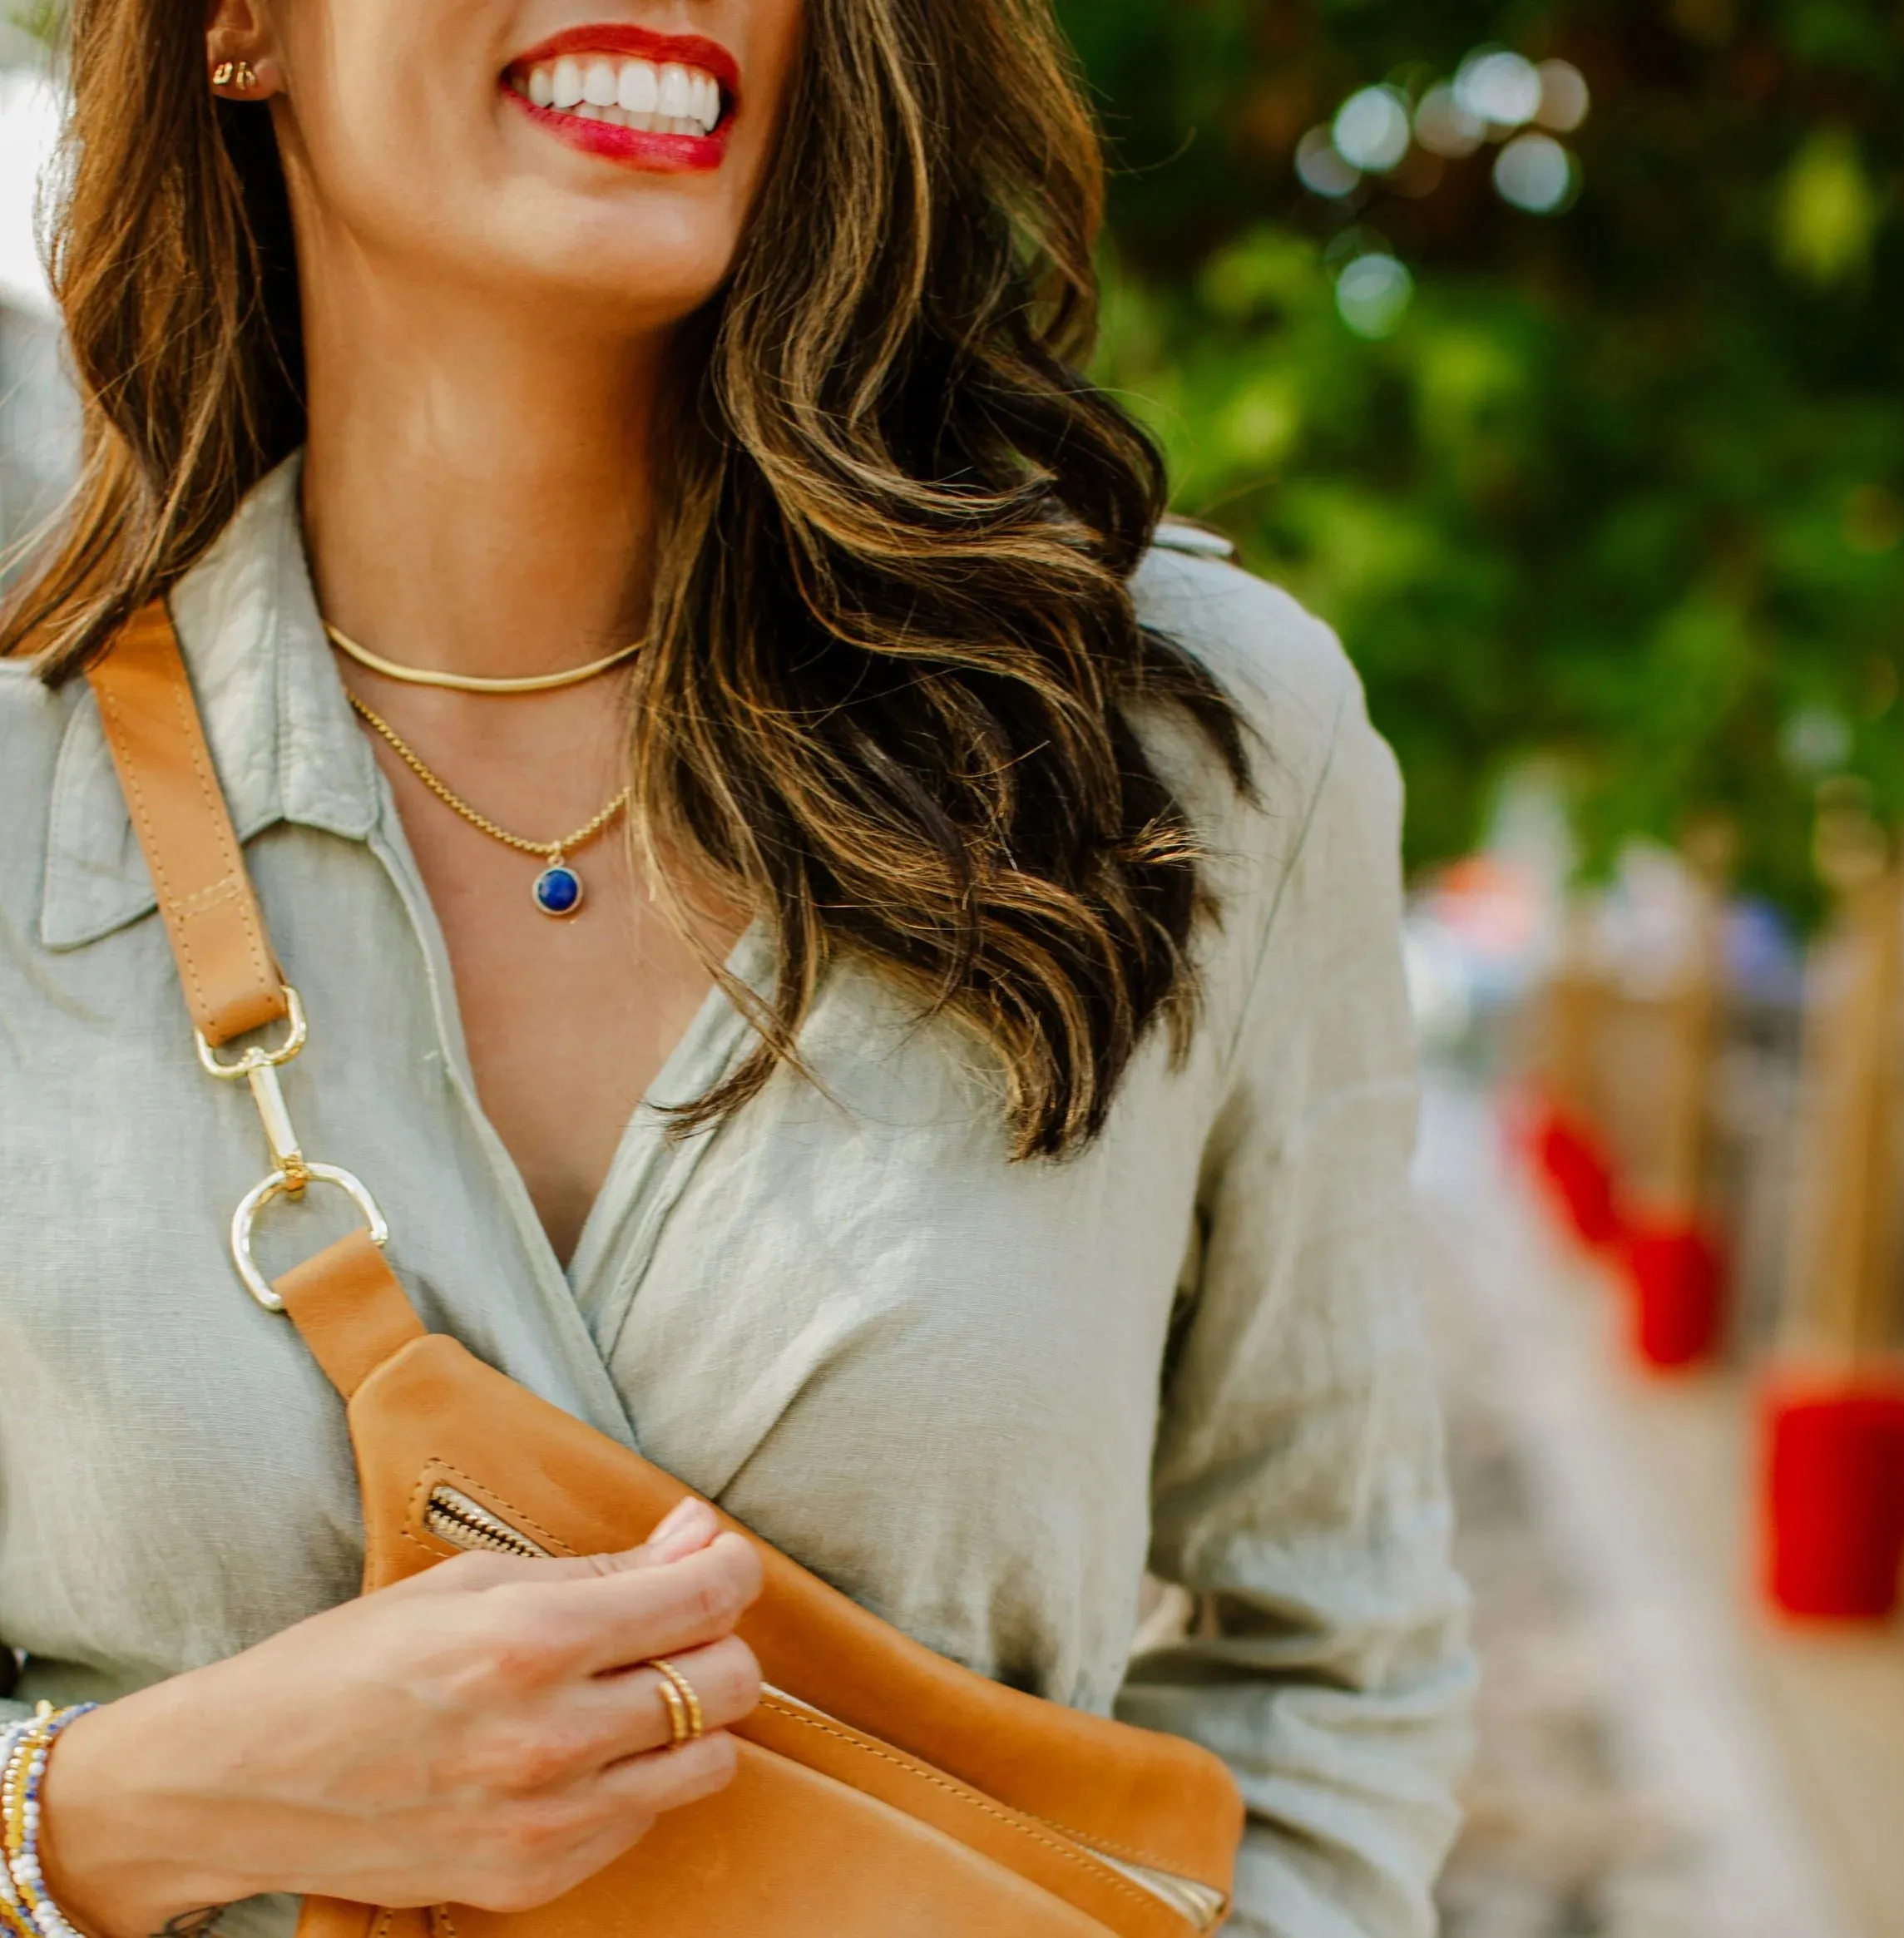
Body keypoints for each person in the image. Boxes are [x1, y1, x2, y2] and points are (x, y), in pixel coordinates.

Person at [0, 0, 1472, 1931]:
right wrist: (115, 1808)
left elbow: (1332, 1669)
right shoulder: (27, 793)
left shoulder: (1185, 751)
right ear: (240, 25)